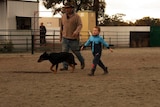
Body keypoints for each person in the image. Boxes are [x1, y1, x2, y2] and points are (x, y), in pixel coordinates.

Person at [60, 2, 85, 71]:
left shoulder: (77, 17)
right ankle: (65, 66)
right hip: (65, 37)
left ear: (72, 9)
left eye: (68, 8)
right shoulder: (63, 16)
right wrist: (61, 35)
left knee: (76, 52)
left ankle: (82, 61)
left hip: (73, 39)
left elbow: (80, 25)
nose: (67, 10)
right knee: (64, 53)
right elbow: (62, 27)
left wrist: (76, 31)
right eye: (66, 8)